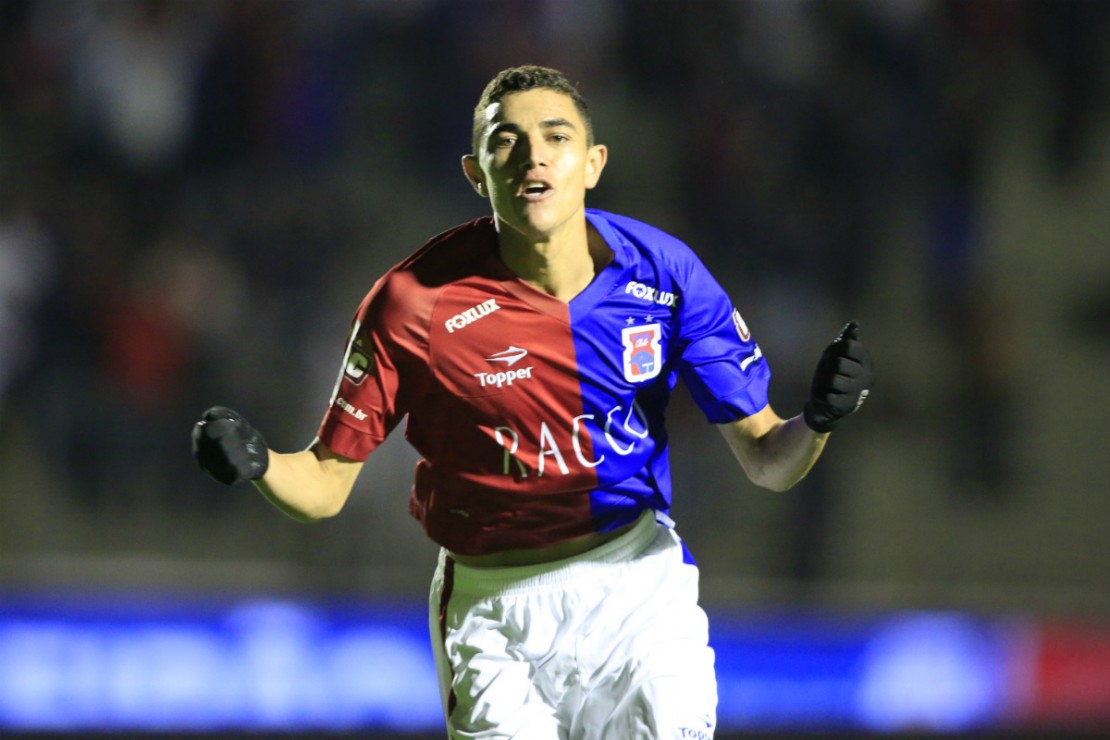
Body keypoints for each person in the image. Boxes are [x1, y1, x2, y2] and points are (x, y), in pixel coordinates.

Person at [192, 65, 875, 738]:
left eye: (555, 137)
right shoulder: (413, 303)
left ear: (593, 163)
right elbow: (323, 486)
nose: (533, 156)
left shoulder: (665, 274)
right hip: (493, 614)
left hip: (636, 589)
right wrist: (259, 464)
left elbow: (768, 460)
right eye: (506, 141)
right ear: (476, 173)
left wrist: (817, 420)